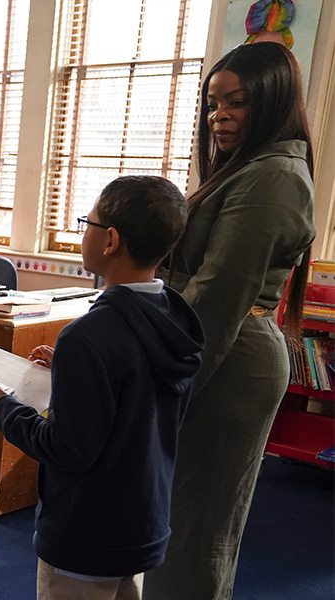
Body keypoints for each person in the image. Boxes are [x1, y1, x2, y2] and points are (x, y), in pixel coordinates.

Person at [0, 177, 203, 598]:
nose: (84, 233)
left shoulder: (89, 335)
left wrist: (1, 408)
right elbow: (135, 402)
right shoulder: (173, 318)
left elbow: (67, 448)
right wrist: (68, 370)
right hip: (141, 521)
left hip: (86, 532)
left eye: (88, 223)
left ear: (111, 240)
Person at [145, 43, 317, 600]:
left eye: (236, 103)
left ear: (271, 103)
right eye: (212, 103)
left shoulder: (273, 177)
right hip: (211, 349)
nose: (219, 116)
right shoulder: (248, 169)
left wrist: (161, 389)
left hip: (227, 359)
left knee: (201, 527)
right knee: (181, 516)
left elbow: (216, 301)